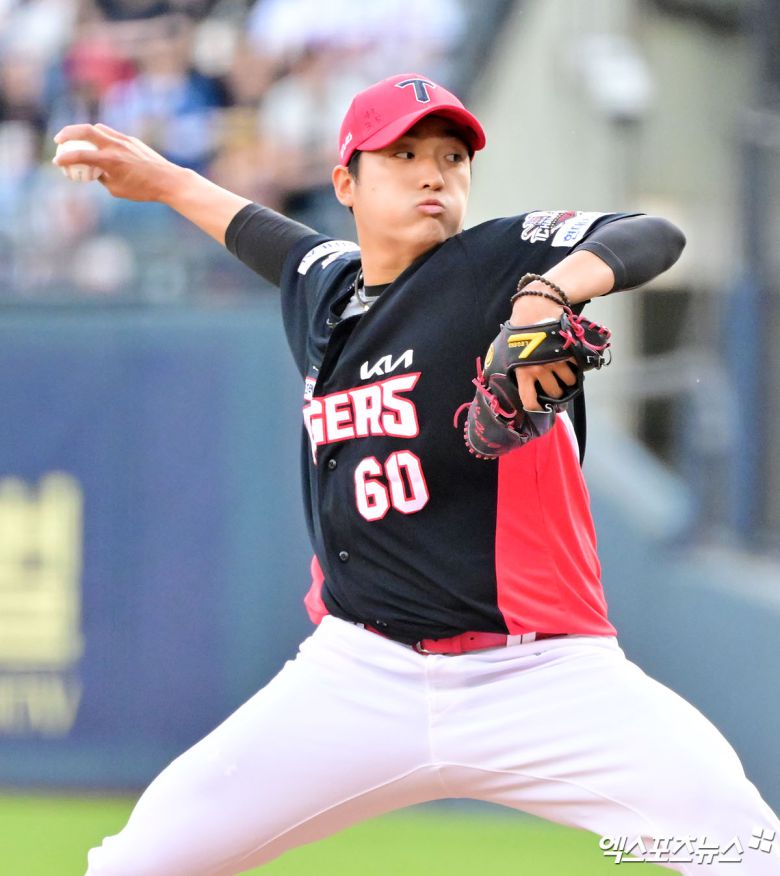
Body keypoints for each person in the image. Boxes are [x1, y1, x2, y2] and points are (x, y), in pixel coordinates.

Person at [55, 73, 780, 876]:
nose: (433, 173)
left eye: (451, 156)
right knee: (138, 862)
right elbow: (260, 233)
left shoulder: (496, 262)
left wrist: (549, 292)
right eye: (402, 155)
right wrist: (164, 180)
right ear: (346, 183)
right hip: (359, 675)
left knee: (747, 852)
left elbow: (653, 234)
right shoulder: (325, 289)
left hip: (542, 676)